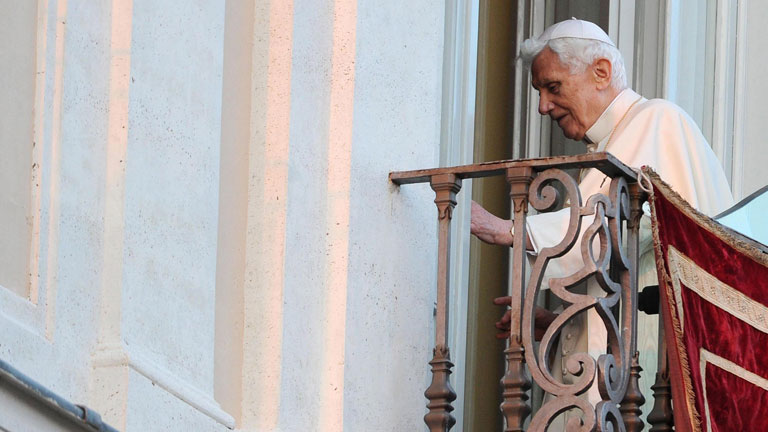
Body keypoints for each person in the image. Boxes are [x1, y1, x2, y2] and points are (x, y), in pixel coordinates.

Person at [470, 17, 734, 420]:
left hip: (650, 385)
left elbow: (605, 230)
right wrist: (561, 324)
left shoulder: (658, 121)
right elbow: (627, 270)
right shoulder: (613, 143)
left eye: (553, 87)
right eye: (539, 92)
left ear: (601, 72)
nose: (542, 106)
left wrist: (507, 230)